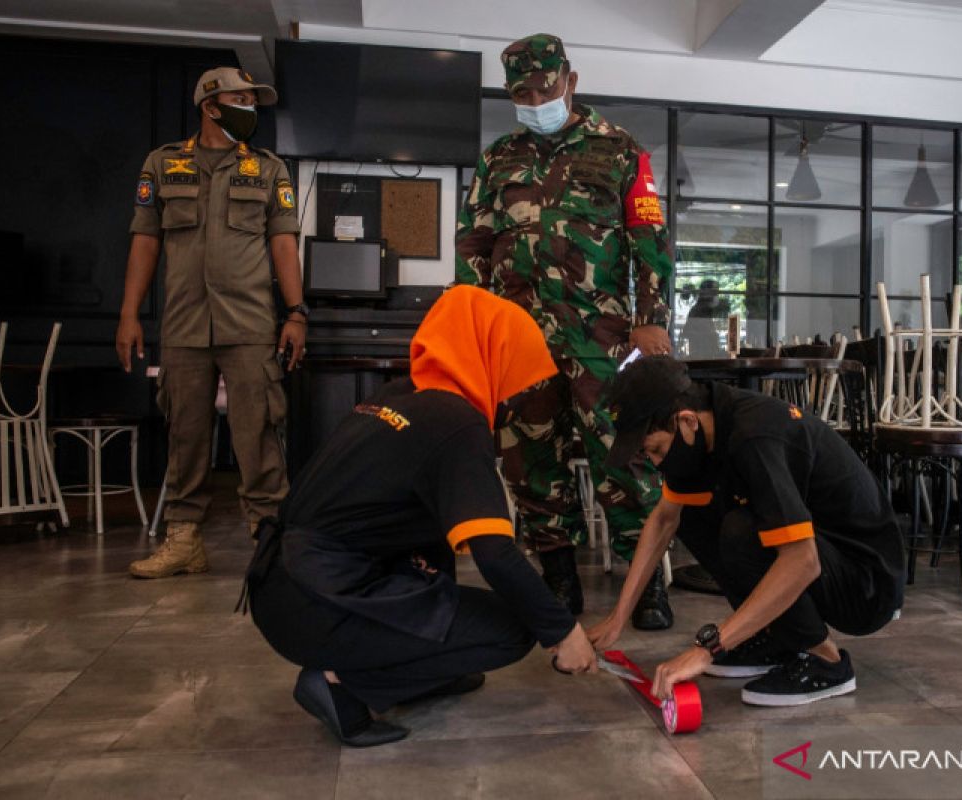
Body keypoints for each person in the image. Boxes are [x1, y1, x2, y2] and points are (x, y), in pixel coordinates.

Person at [242, 286, 597, 747]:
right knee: (513, 629)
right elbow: (495, 554)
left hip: (280, 585)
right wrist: (563, 631)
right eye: (519, 375)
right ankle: (341, 685)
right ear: (495, 357)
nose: (518, 396)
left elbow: (423, 532)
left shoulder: (400, 394)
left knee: (449, 594)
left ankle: (429, 671)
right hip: (319, 601)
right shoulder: (457, 422)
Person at [456, 33, 675, 628]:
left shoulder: (621, 150)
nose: (534, 99)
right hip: (518, 338)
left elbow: (649, 241)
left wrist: (652, 321)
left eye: (544, 87)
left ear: (570, 80)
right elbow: (474, 240)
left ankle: (646, 580)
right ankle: (556, 577)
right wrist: (472, 322)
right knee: (529, 460)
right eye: (521, 92)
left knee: (623, 457)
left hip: (601, 338)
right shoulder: (498, 157)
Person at [588, 356, 905, 706]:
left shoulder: (754, 435)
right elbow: (663, 520)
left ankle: (825, 661)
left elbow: (802, 561)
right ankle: (777, 637)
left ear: (687, 421)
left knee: (743, 530)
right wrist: (618, 617)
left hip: (865, 584)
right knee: (691, 513)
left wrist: (709, 648)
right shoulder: (700, 432)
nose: (656, 463)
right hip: (824, 556)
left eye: (657, 451)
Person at [116, 67, 306, 578]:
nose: (251, 108)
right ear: (210, 106)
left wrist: (296, 313)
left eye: (253, 100)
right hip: (182, 324)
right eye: (240, 99)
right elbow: (145, 240)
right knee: (185, 433)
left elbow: (284, 242)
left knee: (258, 434)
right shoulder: (162, 164)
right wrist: (130, 313)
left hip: (249, 324)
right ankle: (183, 541)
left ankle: (269, 540)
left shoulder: (268, 169)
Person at [680, 279, 723, 358]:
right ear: (707, 295)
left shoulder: (708, 312)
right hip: (700, 357)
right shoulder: (697, 311)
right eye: (715, 293)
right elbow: (687, 332)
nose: (717, 296)